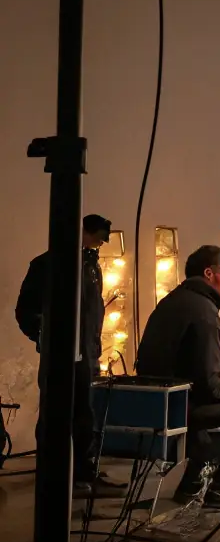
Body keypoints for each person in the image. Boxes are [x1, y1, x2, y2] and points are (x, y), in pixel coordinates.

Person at [15, 213, 127, 498]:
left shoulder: (91, 267)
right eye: (98, 239)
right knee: (57, 413)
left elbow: (93, 312)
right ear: (85, 232)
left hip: (85, 356)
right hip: (60, 356)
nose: (99, 246)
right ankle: (57, 473)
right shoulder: (48, 265)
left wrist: (93, 348)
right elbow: (26, 310)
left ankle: (82, 473)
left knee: (83, 414)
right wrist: (46, 336)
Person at [135, 244, 220, 509]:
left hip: (160, 401)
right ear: (209, 273)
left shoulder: (174, 300)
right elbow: (211, 386)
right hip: (181, 407)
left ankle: (193, 483)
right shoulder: (204, 312)